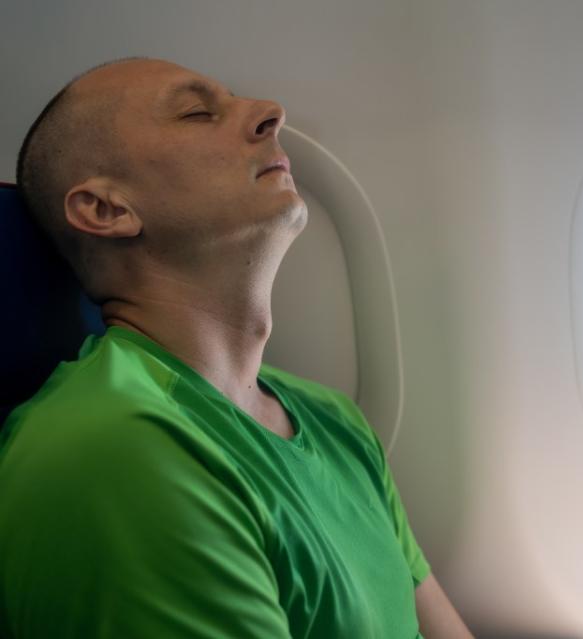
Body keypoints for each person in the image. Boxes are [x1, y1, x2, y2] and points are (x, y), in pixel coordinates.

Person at [0, 58, 473, 639]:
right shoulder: (115, 449)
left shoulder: (333, 420)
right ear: (106, 209)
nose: (270, 113)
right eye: (198, 112)